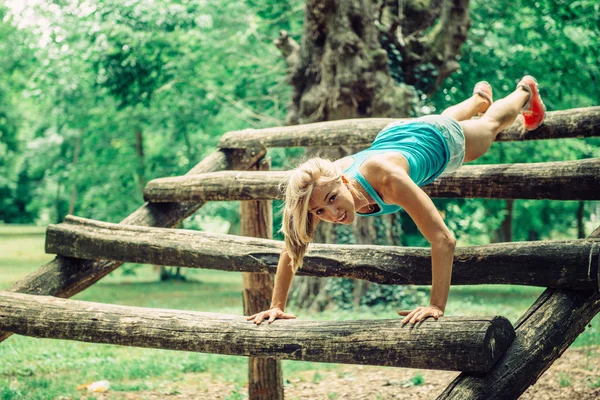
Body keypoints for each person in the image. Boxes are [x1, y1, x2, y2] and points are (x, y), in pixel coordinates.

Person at [246, 76, 546, 326]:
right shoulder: (323, 184)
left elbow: (443, 239)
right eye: (320, 211)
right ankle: (478, 98)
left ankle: (523, 92)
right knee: (442, 119)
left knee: (490, 125)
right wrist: (277, 304)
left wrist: (435, 306)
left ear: (342, 179)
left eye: (333, 200)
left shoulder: (388, 179)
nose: (332, 213)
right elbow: (292, 247)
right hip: (397, 135)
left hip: (442, 142)